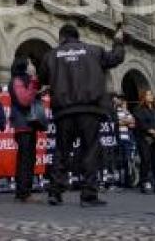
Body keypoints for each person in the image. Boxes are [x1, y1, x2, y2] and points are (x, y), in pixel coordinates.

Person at [39, 23, 125, 207]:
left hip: (64, 111)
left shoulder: (51, 55)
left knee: (61, 151)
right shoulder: (94, 50)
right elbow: (116, 58)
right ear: (78, 36)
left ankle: (55, 192)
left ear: (61, 38)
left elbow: (42, 78)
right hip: (90, 110)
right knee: (91, 151)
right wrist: (118, 41)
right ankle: (88, 195)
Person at [7, 56, 41, 201]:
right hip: (23, 124)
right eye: (30, 63)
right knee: (25, 159)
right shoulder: (17, 80)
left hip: (29, 124)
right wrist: (33, 81)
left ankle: (24, 191)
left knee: (29, 158)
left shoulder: (23, 80)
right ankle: (23, 192)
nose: (33, 65)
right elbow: (24, 100)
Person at [113, 94, 136, 188]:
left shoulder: (126, 111)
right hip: (116, 138)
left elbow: (133, 123)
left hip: (126, 139)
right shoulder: (113, 111)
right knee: (118, 160)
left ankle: (127, 181)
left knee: (127, 160)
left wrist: (124, 121)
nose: (121, 102)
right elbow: (115, 122)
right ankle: (118, 181)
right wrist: (126, 121)